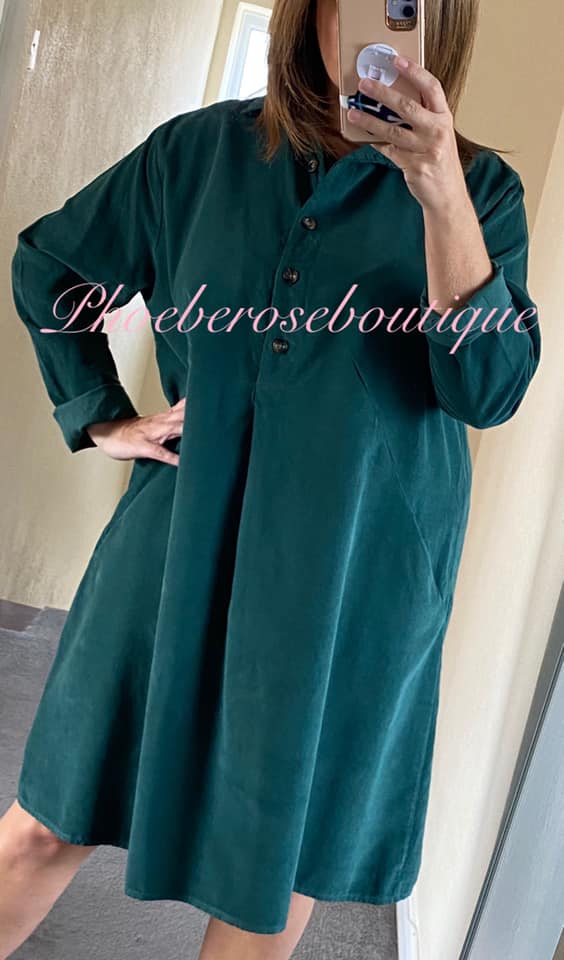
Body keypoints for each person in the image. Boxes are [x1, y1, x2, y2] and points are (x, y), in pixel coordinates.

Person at [2, 0, 541, 957]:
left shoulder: (481, 193)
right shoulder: (195, 155)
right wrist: (99, 413)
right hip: (181, 533)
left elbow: (488, 389)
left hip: (355, 571)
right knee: (50, 815)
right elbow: (52, 264)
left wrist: (440, 194)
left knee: (275, 870)